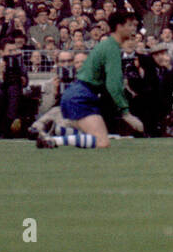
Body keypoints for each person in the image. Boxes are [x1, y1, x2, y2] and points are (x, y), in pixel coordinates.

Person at [36, 10, 138, 149]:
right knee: (102, 142)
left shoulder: (106, 45)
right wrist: (126, 113)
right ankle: (55, 136)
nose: (133, 28)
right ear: (119, 27)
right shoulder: (111, 48)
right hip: (81, 97)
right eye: (130, 25)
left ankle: (58, 132)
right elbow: (113, 84)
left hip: (78, 94)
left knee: (99, 139)